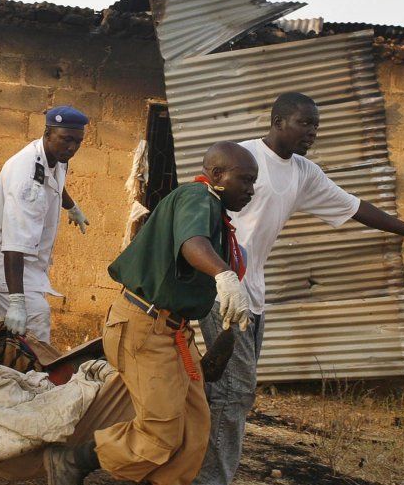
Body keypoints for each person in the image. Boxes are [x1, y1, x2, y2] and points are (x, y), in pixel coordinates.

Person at [193, 92, 404, 485]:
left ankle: (186, 464)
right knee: (235, 393)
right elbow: (196, 209)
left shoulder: (303, 172)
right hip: (222, 289)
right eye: (306, 123)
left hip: (253, 295)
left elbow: (354, 206)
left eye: (316, 125)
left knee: (227, 392)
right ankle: (209, 480)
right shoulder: (242, 158)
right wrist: (212, 273)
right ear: (278, 121)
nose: (313, 132)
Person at [43, 141, 259, 485]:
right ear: (217, 175)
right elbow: (193, 244)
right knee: (162, 433)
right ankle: (74, 460)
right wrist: (224, 275)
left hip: (172, 331)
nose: (250, 189)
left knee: (193, 427)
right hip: (145, 326)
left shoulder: (212, 208)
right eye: (245, 180)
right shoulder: (199, 198)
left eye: (253, 182)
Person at [0, 106, 90, 343]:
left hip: (15, 251)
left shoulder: (56, 157)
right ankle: (36, 377)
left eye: (77, 141)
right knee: (34, 315)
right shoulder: (26, 175)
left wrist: (72, 207)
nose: (72, 147)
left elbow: (55, 182)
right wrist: (17, 302)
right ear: (47, 133)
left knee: (3, 328)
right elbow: (14, 242)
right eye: (66, 139)